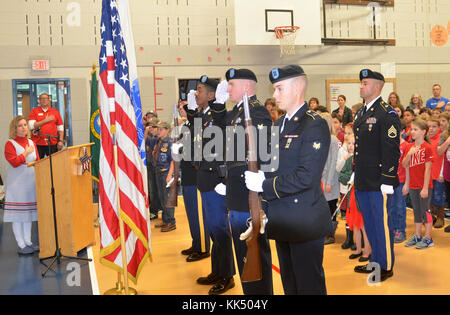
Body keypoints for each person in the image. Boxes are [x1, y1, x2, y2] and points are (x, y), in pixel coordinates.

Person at [245, 65, 331, 295]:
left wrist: (263, 185)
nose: (274, 95)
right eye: (275, 89)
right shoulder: (278, 124)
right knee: (290, 286)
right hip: (281, 219)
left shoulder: (314, 124)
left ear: (297, 88)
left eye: (279, 89)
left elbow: (306, 176)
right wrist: (260, 177)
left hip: (304, 220)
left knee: (308, 287)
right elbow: (273, 167)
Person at [210, 68, 273, 295]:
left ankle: (260, 295)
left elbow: (263, 153)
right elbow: (217, 132)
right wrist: (217, 105)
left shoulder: (257, 112)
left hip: (249, 194)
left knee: (253, 249)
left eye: (231, 85)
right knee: (242, 250)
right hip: (236, 191)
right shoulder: (236, 112)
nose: (228, 89)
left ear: (246, 87)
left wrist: (259, 186)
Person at [183, 75, 236, 294]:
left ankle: (227, 276)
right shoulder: (205, 116)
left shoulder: (216, 117)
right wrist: (191, 112)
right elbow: (196, 138)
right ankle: (217, 270)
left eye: (201, 90)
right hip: (204, 178)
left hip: (216, 180)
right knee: (214, 230)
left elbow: (221, 138)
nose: (197, 93)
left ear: (212, 95)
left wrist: (216, 107)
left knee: (221, 230)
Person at [353, 69, 400, 282]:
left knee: (381, 224)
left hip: (380, 182)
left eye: (365, 83)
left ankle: (386, 266)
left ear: (378, 86)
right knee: (370, 223)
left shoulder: (386, 113)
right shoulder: (362, 113)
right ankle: (375, 261)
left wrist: (388, 180)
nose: (361, 86)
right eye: (361, 83)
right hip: (364, 179)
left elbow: (391, 149)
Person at [176, 93, 211, 262]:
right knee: (191, 213)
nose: (182, 110)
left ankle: (203, 247)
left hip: (196, 173)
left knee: (199, 214)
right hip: (188, 173)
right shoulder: (189, 125)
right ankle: (196, 242)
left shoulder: (198, 123)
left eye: (184, 107)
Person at [4, 116, 40, 254]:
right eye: (20, 125)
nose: (24, 127)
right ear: (14, 129)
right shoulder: (10, 143)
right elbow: (14, 161)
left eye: (25, 124)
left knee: (28, 214)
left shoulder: (31, 142)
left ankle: (28, 242)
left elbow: (37, 160)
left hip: (30, 182)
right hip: (17, 183)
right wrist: (26, 153)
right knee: (18, 215)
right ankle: (21, 244)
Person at [402, 119, 434, 249]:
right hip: (413, 185)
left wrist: (425, 187)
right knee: (416, 211)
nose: (412, 132)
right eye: (412, 129)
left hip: (424, 186)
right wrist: (407, 184)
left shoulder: (427, 147)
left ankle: (428, 237)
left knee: (425, 211)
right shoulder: (410, 147)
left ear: (423, 132)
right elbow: (405, 165)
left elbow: (428, 169)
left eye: (415, 129)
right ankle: (417, 235)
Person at [338, 134, 371, 262]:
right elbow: (342, 176)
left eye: (354, 143)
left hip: (362, 194)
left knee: (363, 225)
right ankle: (358, 249)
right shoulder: (349, 160)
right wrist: (350, 178)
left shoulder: (364, 159)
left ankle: (367, 251)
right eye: (349, 143)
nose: (351, 146)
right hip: (351, 195)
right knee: (355, 224)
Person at [320, 112, 340, 245]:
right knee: (323, 207)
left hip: (330, 179)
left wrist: (329, 182)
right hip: (321, 179)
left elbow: (333, 162)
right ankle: (324, 231)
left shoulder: (333, 139)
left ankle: (330, 234)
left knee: (330, 207)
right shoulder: (321, 138)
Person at [153, 121, 176, 232]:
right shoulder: (159, 141)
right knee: (162, 198)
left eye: (161, 129)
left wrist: (169, 175)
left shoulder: (170, 142)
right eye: (158, 129)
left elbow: (173, 160)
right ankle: (166, 220)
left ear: (167, 130)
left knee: (167, 199)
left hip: (165, 172)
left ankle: (171, 222)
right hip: (158, 172)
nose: (158, 131)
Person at [28, 93, 64, 159]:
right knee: (38, 164)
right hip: (37, 143)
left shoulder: (55, 112)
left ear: (49, 100)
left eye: (46, 98)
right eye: (42, 98)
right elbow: (31, 126)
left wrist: (60, 141)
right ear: (39, 100)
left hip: (52, 143)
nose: (44, 100)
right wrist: (46, 120)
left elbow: (60, 128)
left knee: (53, 164)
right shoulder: (34, 111)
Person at [427, 117, 445, 228]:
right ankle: (431, 216)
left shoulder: (441, 139)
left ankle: (440, 217)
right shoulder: (426, 139)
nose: (431, 129)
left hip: (438, 174)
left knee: (439, 196)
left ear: (439, 127)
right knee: (429, 197)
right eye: (429, 126)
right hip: (427, 174)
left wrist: (442, 173)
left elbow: (443, 158)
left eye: (434, 127)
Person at [392, 121, 408, 243]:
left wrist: (407, 183)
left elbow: (407, 167)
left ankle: (401, 230)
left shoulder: (406, 146)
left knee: (400, 206)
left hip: (401, 181)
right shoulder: (390, 144)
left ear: (402, 131)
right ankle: (393, 228)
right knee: (391, 207)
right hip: (390, 181)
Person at [145, 117, 162, 220]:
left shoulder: (160, 139)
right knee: (152, 190)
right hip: (151, 167)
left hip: (160, 168)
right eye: (149, 127)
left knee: (160, 191)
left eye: (153, 127)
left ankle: (161, 210)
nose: (151, 129)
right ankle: (154, 211)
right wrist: (146, 131)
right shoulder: (152, 139)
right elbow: (144, 141)